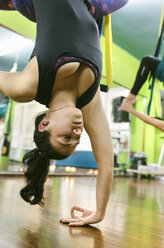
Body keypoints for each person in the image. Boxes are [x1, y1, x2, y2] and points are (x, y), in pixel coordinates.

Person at [0, 0, 129, 226]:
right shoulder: (89, 100)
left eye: (66, 137)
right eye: (77, 140)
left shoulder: (27, 87)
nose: (78, 133)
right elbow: (107, 164)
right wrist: (99, 213)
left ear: (44, 124)